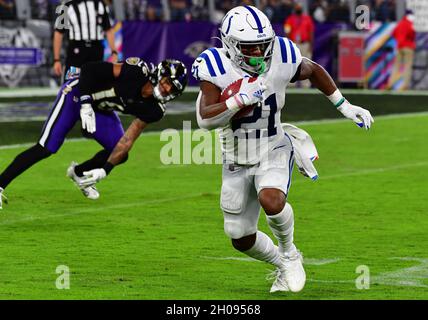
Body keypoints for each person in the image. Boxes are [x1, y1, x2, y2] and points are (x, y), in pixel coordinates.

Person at [192, 5, 373, 293]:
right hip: (236, 157)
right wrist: (238, 100)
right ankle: (282, 262)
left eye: (263, 45)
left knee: (272, 200)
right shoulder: (215, 66)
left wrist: (344, 105)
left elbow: (313, 70)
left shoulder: (281, 54)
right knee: (239, 237)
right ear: (230, 44)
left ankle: (289, 252)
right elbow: (204, 120)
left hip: (273, 145)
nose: (259, 53)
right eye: (250, 48)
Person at [0, 58, 188, 209]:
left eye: (172, 89)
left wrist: (105, 170)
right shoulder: (136, 71)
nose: (167, 89)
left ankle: (78, 173)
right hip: (77, 93)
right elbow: (89, 69)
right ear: (159, 74)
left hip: (101, 109)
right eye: (167, 82)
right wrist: (85, 102)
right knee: (46, 148)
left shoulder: (155, 109)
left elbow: (128, 139)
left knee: (118, 152)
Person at [53, 0, 118, 82]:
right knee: (71, 84)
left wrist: (114, 51)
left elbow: (108, 30)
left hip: (96, 51)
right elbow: (58, 32)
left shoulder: (100, 4)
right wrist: (56, 60)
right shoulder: (66, 6)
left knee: (96, 85)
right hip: (76, 53)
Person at [283, 3, 315, 88]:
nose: (298, 9)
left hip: (304, 44)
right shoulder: (290, 19)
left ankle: (306, 85)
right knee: (292, 64)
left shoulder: (307, 18)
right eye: (297, 7)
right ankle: (291, 84)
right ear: (294, 9)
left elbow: (311, 32)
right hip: (294, 44)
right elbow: (287, 32)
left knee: (306, 64)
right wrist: (288, 45)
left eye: (300, 7)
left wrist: (311, 45)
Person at [387, 9, 416, 91]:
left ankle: (390, 83)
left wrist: (399, 40)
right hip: (408, 46)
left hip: (399, 46)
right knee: (407, 67)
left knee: (396, 66)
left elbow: (393, 33)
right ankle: (405, 86)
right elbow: (411, 32)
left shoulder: (400, 23)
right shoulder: (410, 23)